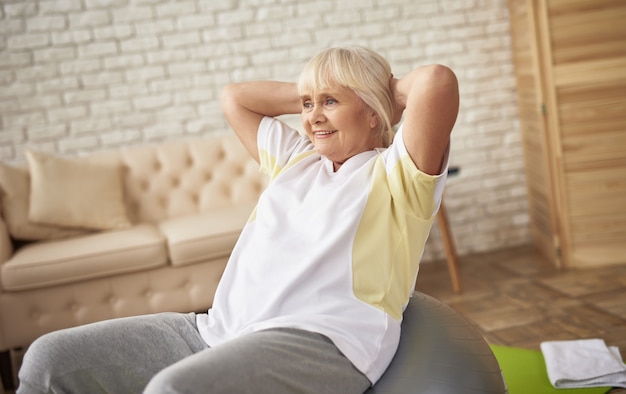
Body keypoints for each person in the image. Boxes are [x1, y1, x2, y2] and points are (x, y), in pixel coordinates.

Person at [17, 46, 459, 394]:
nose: (312, 116)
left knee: (174, 390)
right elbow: (236, 98)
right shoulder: (297, 160)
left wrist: (379, 88)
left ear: (373, 110)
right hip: (215, 331)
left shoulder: (398, 176)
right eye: (306, 104)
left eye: (330, 102)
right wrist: (317, 86)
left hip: (321, 342)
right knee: (49, 360)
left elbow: (436, 81)